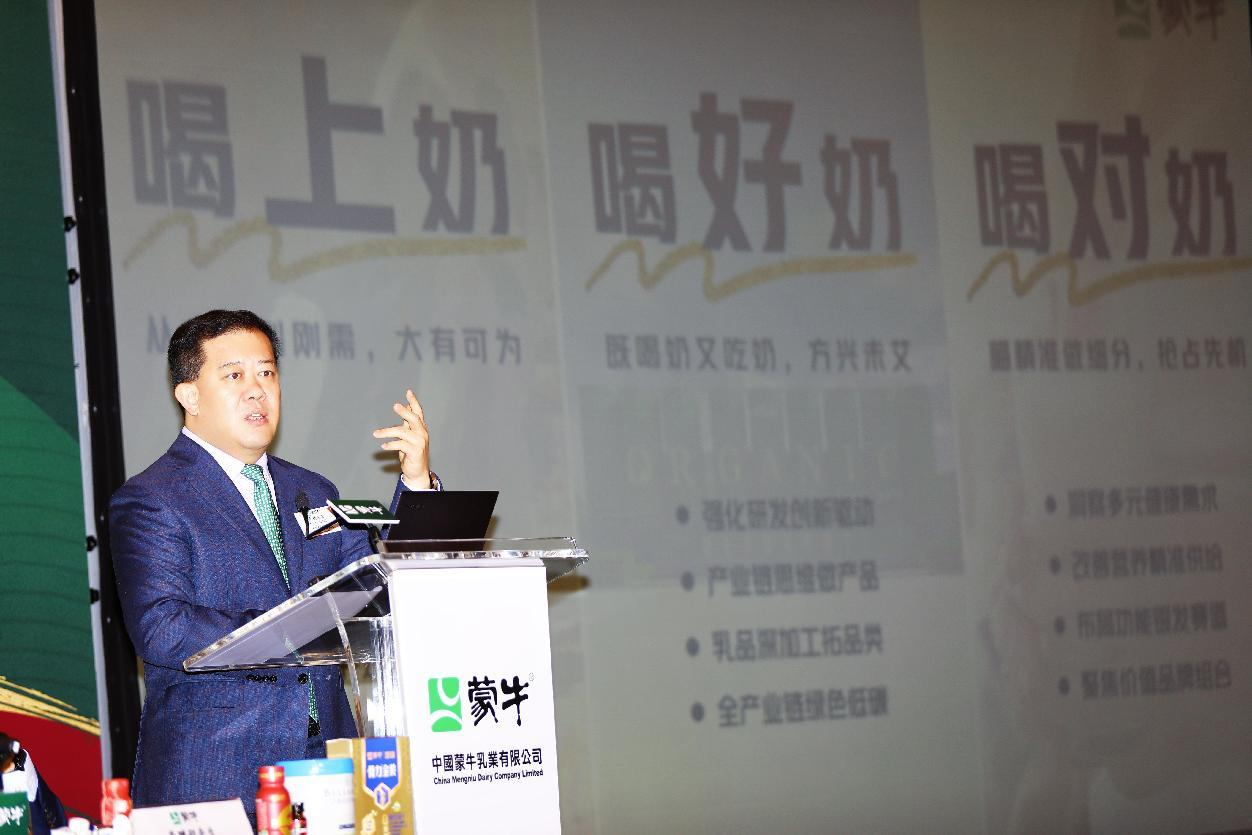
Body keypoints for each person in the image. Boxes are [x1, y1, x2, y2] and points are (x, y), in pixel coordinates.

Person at [109, 309, 434, 813]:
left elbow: (379, 589)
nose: (256, 390)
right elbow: (162, 628)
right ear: (189, 395)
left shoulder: (314, 490)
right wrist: (293, 628)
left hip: (329, 764)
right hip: (218, 771)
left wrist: (416, 484)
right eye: (234, 376)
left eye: (266, 373)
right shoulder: (153, 499)